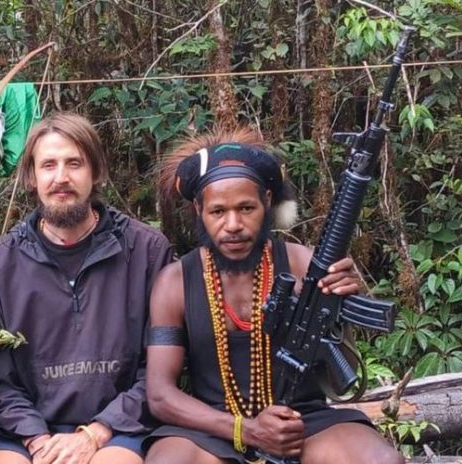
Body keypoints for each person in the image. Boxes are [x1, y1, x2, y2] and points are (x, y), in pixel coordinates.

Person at [143, 127, 404, 464]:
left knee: (381, 461)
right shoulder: (175, 283)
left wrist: (337, 310)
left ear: (267, 202)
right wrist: (246, 429)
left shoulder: (304, 265)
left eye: (246, 208)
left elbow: (342, 381)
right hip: (213, 428)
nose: (233, 224)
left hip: (303, 421)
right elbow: (161, 396)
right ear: (198, 210)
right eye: (218, 212)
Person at [0, 112, 173, 464]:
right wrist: (38, 440)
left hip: (120, 429)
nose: (61, 178)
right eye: (48, 165)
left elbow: (157, 371)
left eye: (74, 163)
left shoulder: (146, 251)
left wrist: (96, 433)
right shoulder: (0, 263)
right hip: (26, 432)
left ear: (96, 171)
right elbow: (0, 379)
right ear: (31, 177)